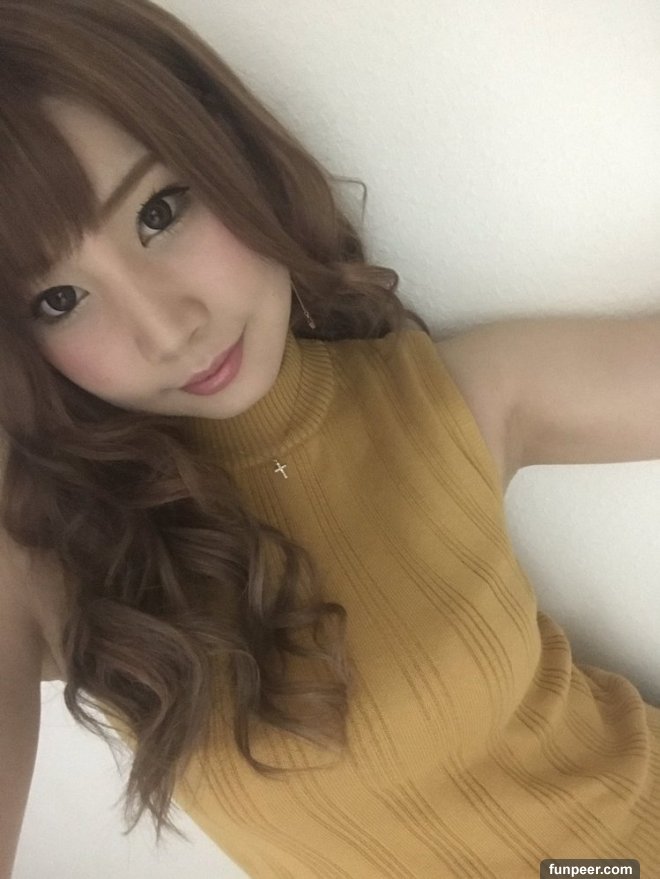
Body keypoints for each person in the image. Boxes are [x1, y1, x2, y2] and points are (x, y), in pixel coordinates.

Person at [0, 1, 658, 877]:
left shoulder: (448, 397)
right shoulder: (51, 559)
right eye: (58, 300)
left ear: (229, 152)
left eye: (160, 211)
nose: (167, 328)